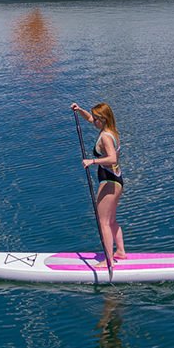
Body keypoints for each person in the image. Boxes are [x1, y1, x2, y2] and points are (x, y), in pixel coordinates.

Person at [71, 101, 126, 267]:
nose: (93, 121)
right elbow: (88, 119)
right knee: (112, 220)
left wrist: (92, 161)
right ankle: (120, 252)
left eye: (96, 119)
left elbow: (112, 158)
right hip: (117, 181)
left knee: (103, 222)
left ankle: (109, 261)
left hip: (109, 183)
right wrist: (79, 110)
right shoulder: (111, 131)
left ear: (102, 119)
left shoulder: (105, 137)